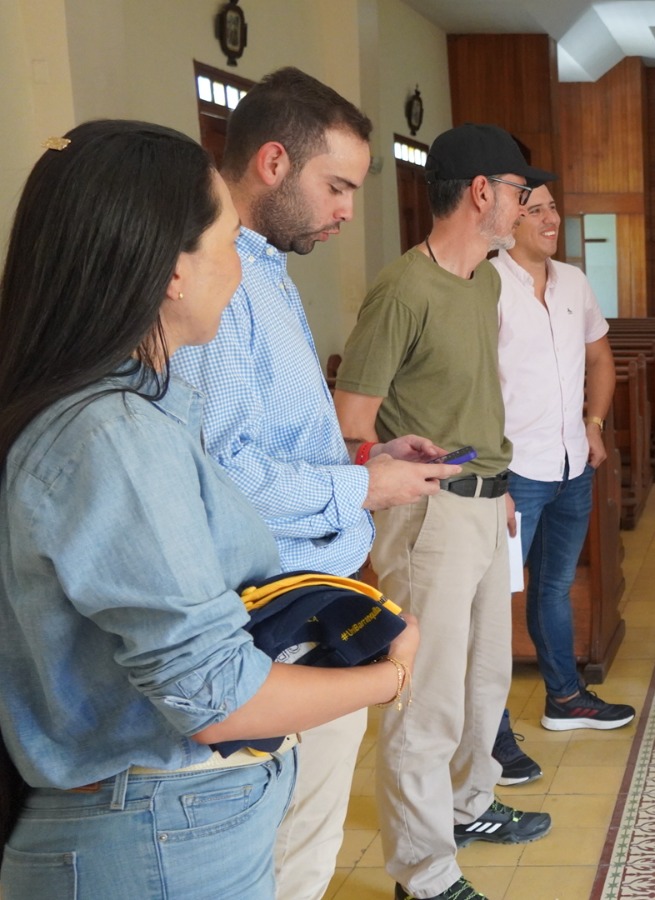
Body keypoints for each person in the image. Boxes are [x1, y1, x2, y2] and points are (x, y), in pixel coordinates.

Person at [0, 120, 418, 899]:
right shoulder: (114, 437)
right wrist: (391, 675)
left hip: (164, 821)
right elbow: (216, 698)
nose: (240, 270)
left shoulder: (126, 411)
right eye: (227, 243)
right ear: (171, 272)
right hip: (156, 830)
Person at [167, 67, 455, 900]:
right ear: (271, 162)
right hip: (273, 614)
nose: (345, 211)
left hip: (307, 595)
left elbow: (274, 440)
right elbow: (228, 475)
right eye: (335, 186)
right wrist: (361, 492)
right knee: (291, 858)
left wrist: (363, 459)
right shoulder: (223, 281)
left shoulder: (265, 270)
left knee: (305, 846)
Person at [333, 122, 551, 900]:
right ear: (482, 193)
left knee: (485, 681)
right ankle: (423, 873)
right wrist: (397, 471)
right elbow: (352, 420)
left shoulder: (487, 279)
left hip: (488, 504)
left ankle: (468, 805)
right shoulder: (403, 288)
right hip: (428, 517)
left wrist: (496, 488)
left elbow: (471, 394)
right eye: (521, 191)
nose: (528, 204)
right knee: (424, 698)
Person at [487, 181, 635, 785]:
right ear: (508, 218)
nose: (550, 220)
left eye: (553, 209)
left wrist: (593, 422)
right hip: (512, 472)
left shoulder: (573, 281)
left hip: (572, 464)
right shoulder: (484, 283)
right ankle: (489, 735)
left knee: (551, 588)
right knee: (491, 604)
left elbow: (601, 357)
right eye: (536, 210)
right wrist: (488, 472)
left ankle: (565, 698)